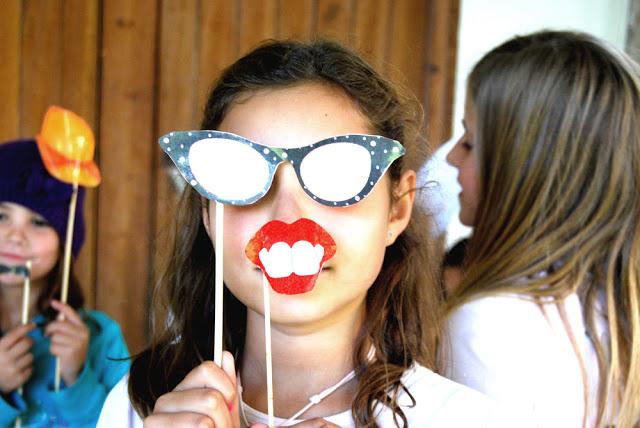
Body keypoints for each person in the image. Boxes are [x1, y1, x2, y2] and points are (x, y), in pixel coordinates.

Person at [98, 40, 518, 427]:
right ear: (208, 213)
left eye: (339, 173)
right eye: (242, 176)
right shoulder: (141, 408)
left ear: (398, 208)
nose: (286, 216)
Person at [444, 30, 640, 427]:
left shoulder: (489, 327)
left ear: (524, 170)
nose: (450, 156)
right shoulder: (618, 313)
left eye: (470, 142)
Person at [0, 139, 130, 426]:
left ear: (66, 242)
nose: (15, 236)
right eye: (2, 216)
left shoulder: (102, 337)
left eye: (38, 222)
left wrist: (77, 377)